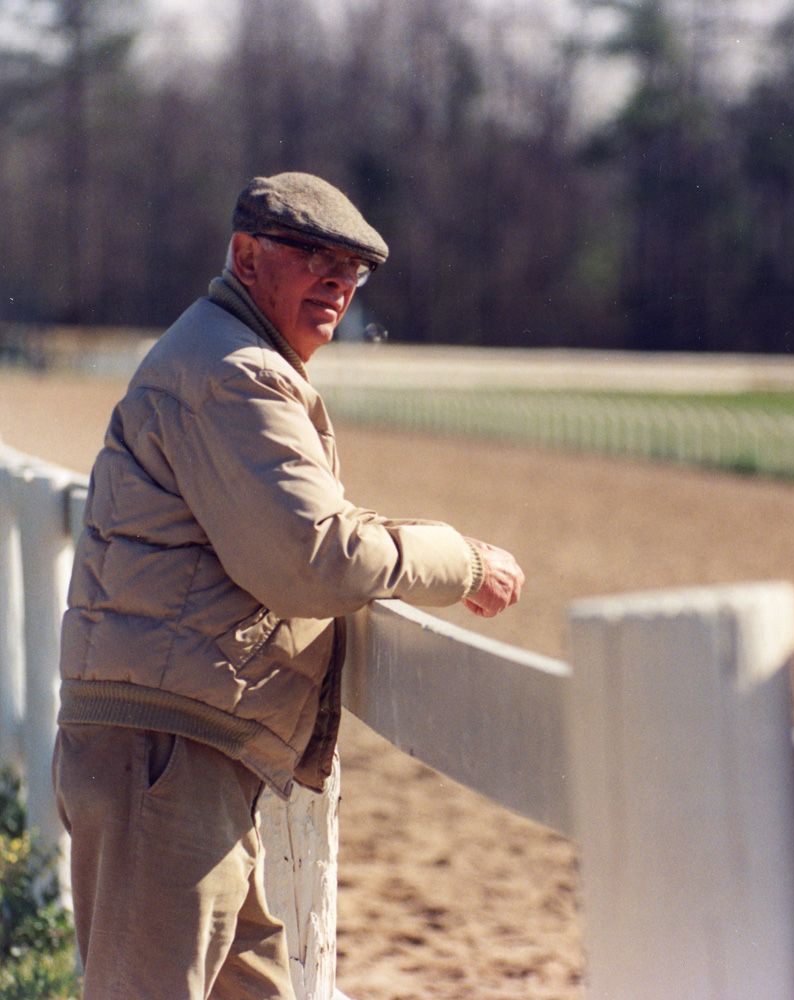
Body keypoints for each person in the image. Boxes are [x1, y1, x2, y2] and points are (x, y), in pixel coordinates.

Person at [53, 172, 524, 999]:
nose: (338, 285)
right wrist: (459, 560)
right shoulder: (233, 371)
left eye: (354, 272)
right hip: (166, 759)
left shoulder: (226, 356)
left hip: (178, 754)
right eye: (315, 260)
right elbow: (316, 560)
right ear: (247, 256)